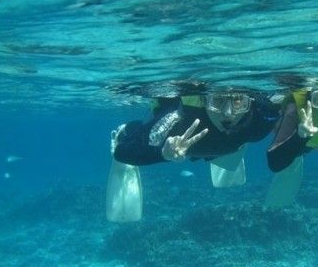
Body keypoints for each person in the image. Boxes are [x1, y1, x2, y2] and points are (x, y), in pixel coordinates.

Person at [107, 91, 280, 222]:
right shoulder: (179, 119)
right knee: (137, 135)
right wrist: (163, 153)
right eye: (217, 101)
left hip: (216, 148)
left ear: (249, 102)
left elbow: (279, 106)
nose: (228, 113)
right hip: (180, 142)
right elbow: (124, 153)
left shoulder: (261, 119)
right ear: (204, 100)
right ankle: (126, 129)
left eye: (237, 101)